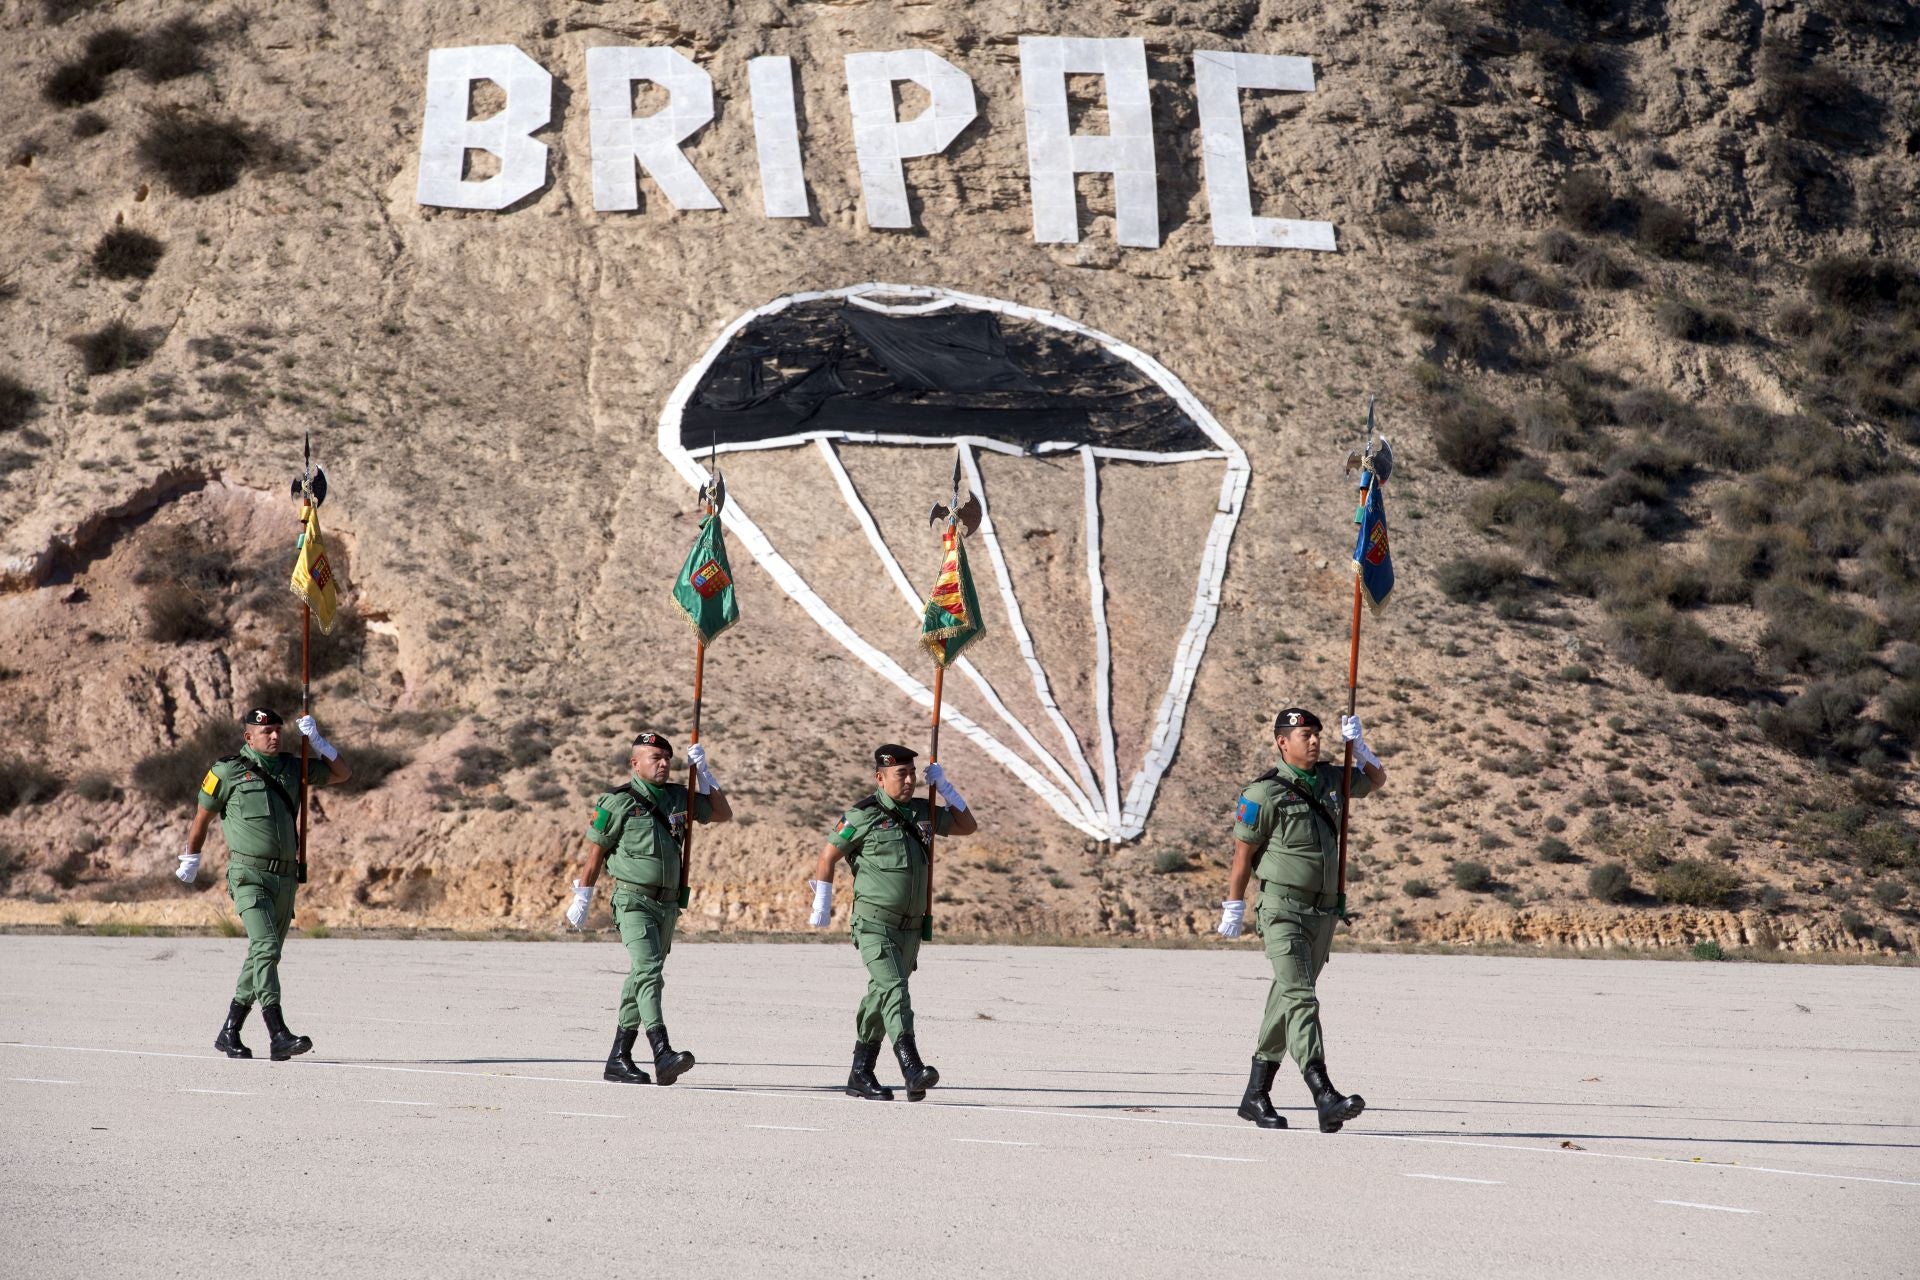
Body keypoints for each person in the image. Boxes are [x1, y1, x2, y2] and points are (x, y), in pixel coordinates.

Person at [1217, 707, 1385, 1132]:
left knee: (1289, 998)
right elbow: (1242, 856)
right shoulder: (1263, 794)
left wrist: (1359, 749)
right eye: (1304, 734)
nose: (1313, 741)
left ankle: (1255, 1095)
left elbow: (1376, 781)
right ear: (1282, 743)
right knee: (1302, 998)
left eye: (1317, 734)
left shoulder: (1332, 779)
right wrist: (1234, 906)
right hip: (1282, 910)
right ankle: (1323, 1092)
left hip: (1323, 911)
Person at [177, 707, 350, 1061]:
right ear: (248, 737)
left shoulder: (291, 767)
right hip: (248, 876)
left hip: (285, 878)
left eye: (277, 731)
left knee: (263, 952)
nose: (274, 736)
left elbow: (342, 774)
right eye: (266, 731)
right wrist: (191, 857)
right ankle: (278, 1033)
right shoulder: (227, 771)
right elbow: (202, 817)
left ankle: (230, 1031)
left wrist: (319, 743)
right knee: (267, 947)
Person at [808, 744, 977, 1102]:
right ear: (880, 778)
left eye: (913, 773)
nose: (910, 780)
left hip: (910, 927)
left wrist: (945, 788)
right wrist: (821, 902)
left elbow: (967, 825)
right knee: (896, 990)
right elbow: (828, 856)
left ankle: (860, 1073)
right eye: (902, 774)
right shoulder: (863, 815)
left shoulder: (923, 812)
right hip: (874, 924)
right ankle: (911, 1067)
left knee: (881, 994)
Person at [565, 732, 731, 1085]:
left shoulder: (678, 797)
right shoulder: (618, 801)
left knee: (641, 977)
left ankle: (618, 1058)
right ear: (634, 763)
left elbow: (722, 813)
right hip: (633, 900)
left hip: (668, 904)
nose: (663, 763)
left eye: (667, 758)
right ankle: (662, 1051)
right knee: (649, 970)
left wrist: (705, 774)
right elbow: (596, 852)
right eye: (654, 757)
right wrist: (583, 896)